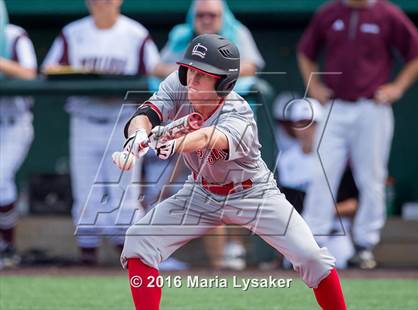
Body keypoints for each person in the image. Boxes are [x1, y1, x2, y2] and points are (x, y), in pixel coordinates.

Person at [113, 34, 346, 310]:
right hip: (201, 192)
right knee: (140, 240)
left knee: (313, 259)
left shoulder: (239, 112)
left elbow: (208, 138)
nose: (192, 80)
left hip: (252, 193)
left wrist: (173, 144)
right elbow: (147, 112)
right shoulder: (180, 82)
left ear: (224, 83)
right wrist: (138, 135)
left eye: (203, 75)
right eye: (190, 71)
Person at [298, 0, 418, 268]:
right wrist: (314, 85)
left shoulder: (388, 14)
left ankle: (365, 245)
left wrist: (397, 87)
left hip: (372, 107)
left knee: (372, 177)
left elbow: (416, 53)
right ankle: (310, 243)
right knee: (321, 172)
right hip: (335, 106)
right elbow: (305, 52)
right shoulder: (329, 12)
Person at [42, 0, 160, 265]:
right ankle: (87, 260)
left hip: (122, 119)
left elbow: (154, 75)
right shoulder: (73, 32)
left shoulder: (135, 34)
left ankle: (131, 259)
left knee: (125, 194)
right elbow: (49, 70)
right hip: (84, 118)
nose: (102, 3)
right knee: (85, 193)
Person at [153, 0, 264, 270]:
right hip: (187, 119)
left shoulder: (236, 33)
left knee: (239, 186)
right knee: (199, 186)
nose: (205, 19)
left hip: (231, 120)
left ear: (221, 16)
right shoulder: (182, 35)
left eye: (211, 14)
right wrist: (192, 73)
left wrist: (204, 70)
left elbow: (251, 66)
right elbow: (156, 67)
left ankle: (235, 252)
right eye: (200, 14)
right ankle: (216, 262)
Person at [275, 97, 358, 269]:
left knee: (345, 271)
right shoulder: (284, 161)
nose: (306, 129)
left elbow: (354, 204)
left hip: (333, 236)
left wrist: (319, 212)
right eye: (301, 123)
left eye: (311, 123)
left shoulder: (338, 160)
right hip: (298, 237)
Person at [0, 0, 37, 268]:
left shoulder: (14, 36)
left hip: (14, 122)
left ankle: (7, 247)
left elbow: (30, 73)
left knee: (0, 177)